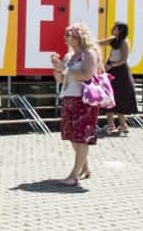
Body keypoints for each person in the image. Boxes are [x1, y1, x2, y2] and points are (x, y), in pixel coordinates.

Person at [50, 23, 101, 186]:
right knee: (72, 136)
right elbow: (60, 79)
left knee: (82, 138)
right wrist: (56, 67)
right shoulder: (68, 56)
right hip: (68, 97)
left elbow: (87, 75)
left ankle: (74, 175)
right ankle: (85, 167)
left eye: (68, 34)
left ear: (78, 37)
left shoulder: (89, 54)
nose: (65, 37)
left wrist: (65, 69)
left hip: (84, 100)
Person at [97, 21, 138, 135]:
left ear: (120, 30)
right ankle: (113, 125)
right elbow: (99, 43)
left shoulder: (124, 42)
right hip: (111, 69)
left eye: (115, 28)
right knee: (109, 96)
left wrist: (110, 65)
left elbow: (124, 60)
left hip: (120, 71)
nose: (112, 29)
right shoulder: (113, 39)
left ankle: (121, 125)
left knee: (118, 96)